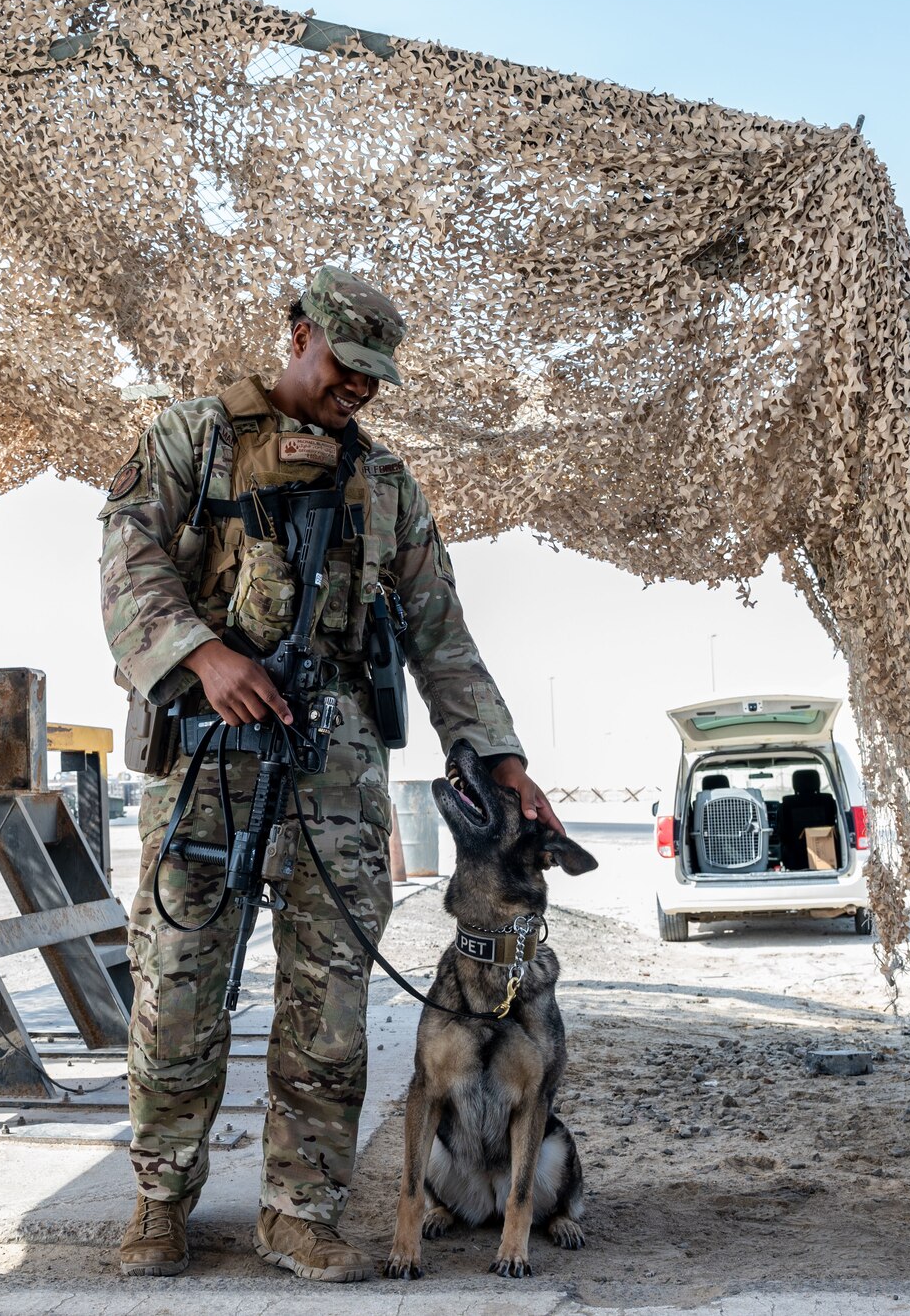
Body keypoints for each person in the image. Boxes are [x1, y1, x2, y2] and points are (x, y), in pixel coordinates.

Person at [98, 265, 561, 1282]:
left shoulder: (386, 485)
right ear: (298, 332)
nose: (358, 388)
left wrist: (501, 756)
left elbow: (442, 635)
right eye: (345, 365)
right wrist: (199, 653)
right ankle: (157, 1203)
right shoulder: (194, 436)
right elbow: (126, 555)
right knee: (176, 989)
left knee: (329, 1005)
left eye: (373, 376)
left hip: (337, 776)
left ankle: (298, 1211)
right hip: (208, 761)